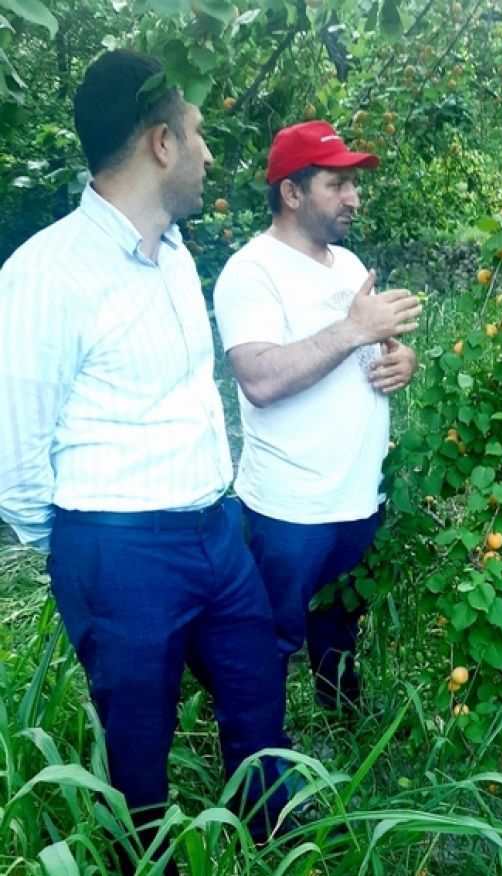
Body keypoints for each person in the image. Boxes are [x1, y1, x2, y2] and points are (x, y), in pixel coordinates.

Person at [0, 50, 291, 871]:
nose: (209, 154)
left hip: (215, 531)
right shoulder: (45, 275)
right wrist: (81, 551)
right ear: (162, 143)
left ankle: (275, 844)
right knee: (137, 755)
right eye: (197, 133)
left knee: (258, 696)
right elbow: (14, 455)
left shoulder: (176, 256)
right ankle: (145, 862)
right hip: (117, 546)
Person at [213, 121, 420, 737]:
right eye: (338, 184)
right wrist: (355, 330)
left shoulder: (347, 264)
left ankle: (343, 731)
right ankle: (264, 762)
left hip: (359, 495)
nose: (354, 198)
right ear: (292, 192)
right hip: (291, 507)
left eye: (354, 184)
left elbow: (371, 348)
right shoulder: (252, 272)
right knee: (271, 638)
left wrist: (402, 361)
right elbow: (260, 378)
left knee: (340, 623)